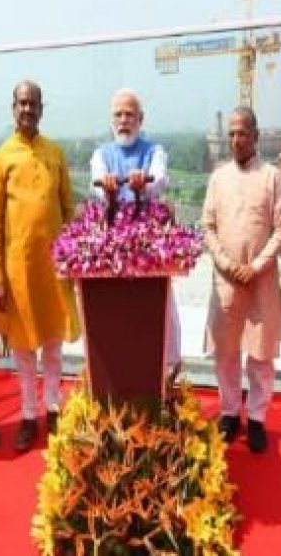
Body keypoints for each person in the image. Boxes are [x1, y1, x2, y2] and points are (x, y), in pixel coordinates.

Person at [0, 80, 80, 452]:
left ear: (42, 109)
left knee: (54, 342)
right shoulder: (1, 157)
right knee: (24, 348)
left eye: (33, 103)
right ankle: (29, 414)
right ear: (13, 108)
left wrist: (74, 255)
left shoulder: (54, 153)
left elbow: (69, 208)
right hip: (18, 268)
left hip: (53, 264)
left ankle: (53, 408)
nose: (27, 109)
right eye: (21, 103)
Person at [201, 107, 281, 453]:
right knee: (225, 353)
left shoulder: (271, 176)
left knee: (260, 355)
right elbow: (207, 227)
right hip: (226, 280)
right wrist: (226, 264)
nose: (236, 140)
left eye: (242, 133)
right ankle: (229, 412)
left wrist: (255, 266)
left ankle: (256, 418)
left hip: (260, 280)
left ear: (256, 136)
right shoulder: (218, 177)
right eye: (231, 134)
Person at [90, 88, 182, 372]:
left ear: (140, 119)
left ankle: (166, 375)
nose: (123, 120)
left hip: (148, 248)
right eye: (118, 115)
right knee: (117, 314)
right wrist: (109, 187)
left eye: (129, 114)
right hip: (114, 250)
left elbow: (159, 181)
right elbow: (98, 187)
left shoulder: (155, 151)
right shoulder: (101, 154)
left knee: (160, 312)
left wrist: (144, 184)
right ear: (111, 121)